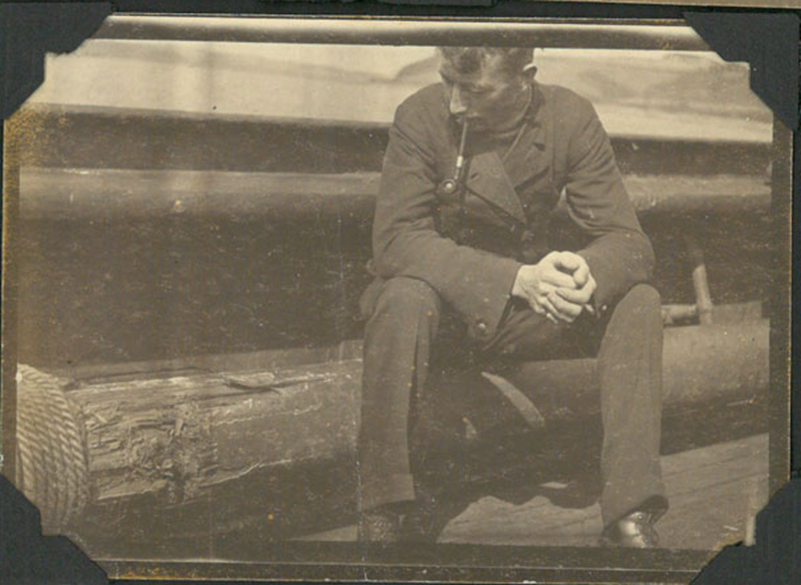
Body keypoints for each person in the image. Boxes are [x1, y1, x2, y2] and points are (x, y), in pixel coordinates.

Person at [356, 46, 668, 548]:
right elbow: (395, 241)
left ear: (525, 79)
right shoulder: (420, 116)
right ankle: (385, 512)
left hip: (526, 315)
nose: (455, 103)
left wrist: (587, 271)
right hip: (447, 316)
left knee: (639, 301)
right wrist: (518, 279)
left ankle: (630, 514)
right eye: (447, 82)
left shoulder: (570, 116)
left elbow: (628, 242)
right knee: (401, 295)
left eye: (475, 90)